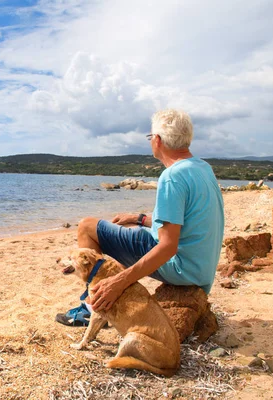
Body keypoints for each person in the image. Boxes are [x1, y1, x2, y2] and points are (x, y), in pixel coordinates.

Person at [56, 109, 224, 327]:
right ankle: (100, 302)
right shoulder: (202, 167)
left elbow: (168, 247)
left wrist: (118, 282)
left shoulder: (172, 176)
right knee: (132, 232)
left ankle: (93, 307)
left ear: (158, 140)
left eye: (150, 137)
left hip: (182, 268)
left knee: (87, 227)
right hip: (200, 270)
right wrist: (140, 219)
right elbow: (186, 222)